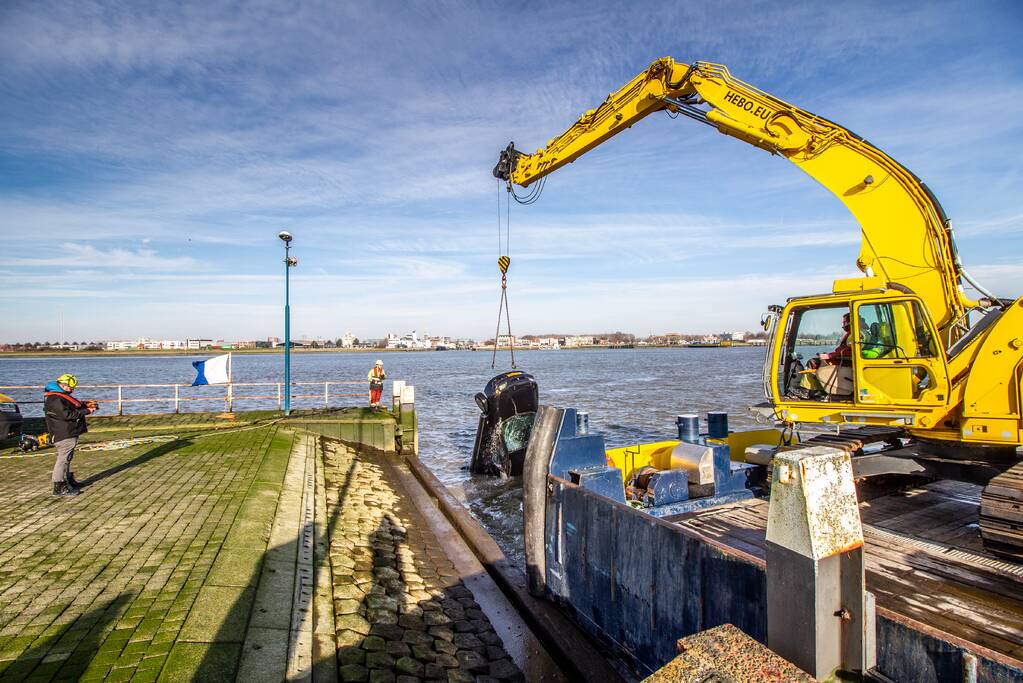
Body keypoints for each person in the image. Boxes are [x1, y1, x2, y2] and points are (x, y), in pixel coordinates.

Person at [43, 373, 97, 496]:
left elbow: (71, 406)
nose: (72, 389)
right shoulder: (55, 399)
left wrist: (85, 404)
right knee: (63, 459)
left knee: (67, 458)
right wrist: (87, 411)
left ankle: (67, 480)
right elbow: (67, 415)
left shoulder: (60, 397)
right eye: (70, 387)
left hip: (68, 432)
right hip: (63, 434)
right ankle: (59, 486)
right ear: (62, 385)